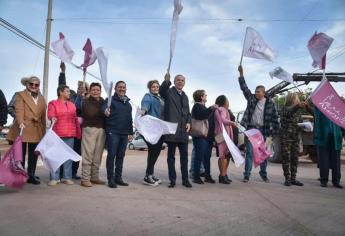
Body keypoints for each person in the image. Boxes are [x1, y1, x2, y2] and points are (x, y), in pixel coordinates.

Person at [238, 65, 280, 183]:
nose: (256, 93)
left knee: (264, 154)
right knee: (250, 153)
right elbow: (244, 88)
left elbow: (275, 119)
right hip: (251, 130)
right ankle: (246, 175)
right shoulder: (251, 99)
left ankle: (263, 174)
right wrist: (241, 74)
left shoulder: (271, 104)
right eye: (255, 91)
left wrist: (274, 134)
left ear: (263, 92)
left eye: (258, 92)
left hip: (265, 131)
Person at [7, 76, 46, 185]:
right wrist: (20, 122)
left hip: (36, 128)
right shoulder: (20, 95)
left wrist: (43, 131)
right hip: (23, 127)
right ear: (27, 84)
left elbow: (43, 116)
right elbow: (18, 110)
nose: (33, 86)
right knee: (21, 153)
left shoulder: (42, 98)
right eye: (31, 84)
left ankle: (31, 175)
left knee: (34, 153)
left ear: (39, 86)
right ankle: (21, 174)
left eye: (36, 84)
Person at [159, 73, 192, 188]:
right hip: (172, 130)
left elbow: (188, 112)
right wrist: (166, 81)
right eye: (178, 80)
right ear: (174, 81)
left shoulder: (186, 96)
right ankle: (172, 180)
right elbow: (162, 91)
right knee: (171, 157)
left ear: (184, 83)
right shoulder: (169, 92)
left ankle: (185, 179)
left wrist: (189, 122)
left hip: (183, 132)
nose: (180, 82)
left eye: (182, 80)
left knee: (184, 158)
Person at [58, 62, 88, 180]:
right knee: (64, 150)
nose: (81, 89)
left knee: (77, 152)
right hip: (68, 128)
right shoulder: (71, 96)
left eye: (83, 87)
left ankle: (73, 172)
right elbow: (62, 86)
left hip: (81, 131)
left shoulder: (88, 99)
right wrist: (63, 72)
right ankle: (61, 173)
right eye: (79, 87)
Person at [47, 85, 80, 186]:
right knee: (55, 157)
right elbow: (50, 114)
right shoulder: (53, 103)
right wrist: (52, 118)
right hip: (57, 134)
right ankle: (54, 178)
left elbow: (74, 117)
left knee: (68, 157)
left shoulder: (72, 105)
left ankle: (67, 177)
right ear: (61, 92)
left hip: (70, 133)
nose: (69, 93)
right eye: (67, 91)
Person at [103, 81, 133, 188]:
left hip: (124, 134)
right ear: (115, 89)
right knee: (111, 155)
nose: (122, 89)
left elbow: (130, 119)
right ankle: (110, 179)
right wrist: (106, 111)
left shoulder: (128, 104)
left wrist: (130, 132)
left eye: (124, 87)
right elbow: (104, 110)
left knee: (121, 156)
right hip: (113, 132)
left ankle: (118, 178)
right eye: (119, 87)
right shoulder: (110, 100)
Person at [75, 82, 106, 187]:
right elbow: (90, 113)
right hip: (89, 128)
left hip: (101, 129)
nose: (96, 92)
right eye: (93, 90)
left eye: (98, 90)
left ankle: (94, 177)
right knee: (88, 154)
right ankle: (85, 178)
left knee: (98, 155)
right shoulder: (86, 101)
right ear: (90, 91)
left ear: (100, 91)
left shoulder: (103, 101)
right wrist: (103, 112)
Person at [140, 80, 165, 186]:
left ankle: (150, 173)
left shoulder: (161, 98)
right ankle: (147, 176)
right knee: (153, 150)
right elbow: (145, 105)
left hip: (161, 128)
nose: (155, 88)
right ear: (149, 88)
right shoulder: (148, 96)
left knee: (156, 151)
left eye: (157, 87)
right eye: (153, 87)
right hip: (152, 128)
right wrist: (143, 111)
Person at [191, 90, 217, 184]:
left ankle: (207, 176)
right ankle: (196, 177)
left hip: (207, 137)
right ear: (201, 97)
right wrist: (211, 108)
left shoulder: (202, 106)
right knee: (199, 157)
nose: (206, 96)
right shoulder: (197, 106)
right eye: (205, 95)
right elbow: (201, 116)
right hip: (200, 136)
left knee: (206, 157)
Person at [314, 107, 345, 188]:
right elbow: (316, 117)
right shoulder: (321, 109)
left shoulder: (338, 111)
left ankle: (336, 181)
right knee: (323, 160)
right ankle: (324, 180)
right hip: (323, 137)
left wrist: (342, 134)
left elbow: (343, 123)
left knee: (336, 161)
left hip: (336, 137)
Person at [280, 93, 305, 186]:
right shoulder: (285, 108)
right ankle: (287, 179)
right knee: (286, 158)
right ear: (292, 99)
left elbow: (300, 122)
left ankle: (293, 178)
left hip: (295, 137)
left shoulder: (298, 111)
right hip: (286, 137)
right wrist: (298, 106)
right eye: (296, 99)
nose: (298, 100)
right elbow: (290, 112)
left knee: (295, 158)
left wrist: (305, 126)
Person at [214, 95, 237, 184]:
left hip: (220, 134)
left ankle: (223, 175)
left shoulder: (219, 110)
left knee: (224, 155)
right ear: (224, 102)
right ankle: (223, 175)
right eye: (227, 100)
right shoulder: (222, 109)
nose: (228, 102)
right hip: (223, 135)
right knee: (224, 155)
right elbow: (223, 120)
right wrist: (232, 123)